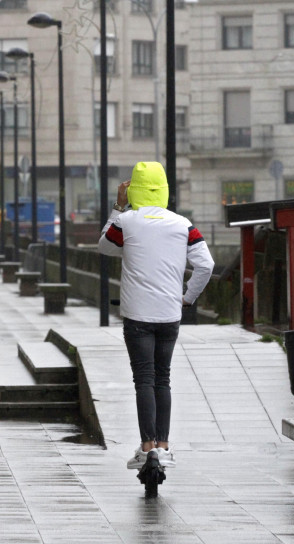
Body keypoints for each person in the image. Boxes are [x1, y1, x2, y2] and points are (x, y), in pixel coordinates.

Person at [97, 161, 214, 472]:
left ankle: (146, 446)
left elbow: (105, 246)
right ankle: (163, 446)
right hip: (169, 314)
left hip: (137, 316)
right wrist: (188, 298)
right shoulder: (183, 224)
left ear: (133, 188)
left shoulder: (127, 221)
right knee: (163, 378)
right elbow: (206, 265)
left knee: (144, 379)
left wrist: (117, 207)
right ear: (164, 189)